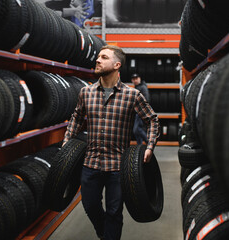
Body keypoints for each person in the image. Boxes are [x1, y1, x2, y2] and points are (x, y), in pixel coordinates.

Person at [62, 45, 160, 240]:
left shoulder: (132, 95)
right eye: (98, 56)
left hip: (118, 167)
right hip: (90, 164)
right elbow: (77, 118)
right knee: (90, 206)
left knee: (114, 212)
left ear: (117, 65)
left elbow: (152, 120)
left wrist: (149, 145)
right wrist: (67, 141)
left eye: (103, 57)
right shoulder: (86, 92)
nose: (98, 60)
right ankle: (106, 235)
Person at [131, 73, 150, 145]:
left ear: (140, 79)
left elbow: (146, 99)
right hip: (137, 112)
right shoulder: (137, 87)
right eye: (133, 79)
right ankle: (140, 146)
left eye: (136, 78)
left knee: (136, 129)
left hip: (141, 112)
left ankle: (149, 143)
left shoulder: (142, 87)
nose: (135, 80)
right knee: (137, 129)